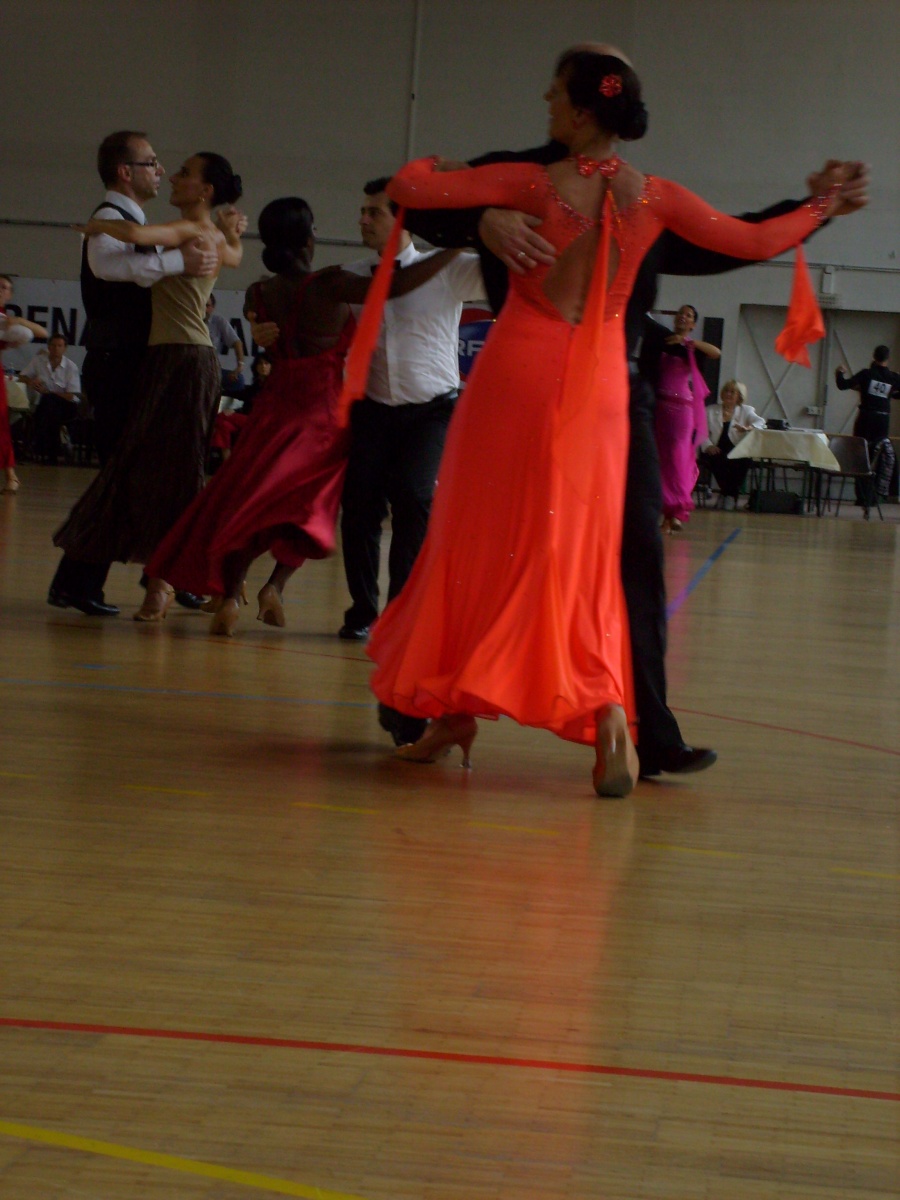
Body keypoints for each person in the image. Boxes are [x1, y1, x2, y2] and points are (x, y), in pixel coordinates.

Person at [356, 48, 850, 798]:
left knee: (479, 538)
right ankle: (610, 712)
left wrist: (453, 179)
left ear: (583, 111)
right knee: (586, 556)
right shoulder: (655, 195)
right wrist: (820, 208)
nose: (546, 100)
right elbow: (752, 240)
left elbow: (408, 186)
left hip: (520, 373)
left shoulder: (528, 181)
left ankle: (456, 708)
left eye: (556, 91)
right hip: (603, 389)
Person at [146, 197, 465, 637]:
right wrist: (454, 246)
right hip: (322, 413)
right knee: (310, 507)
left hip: (274, 407)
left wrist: (257, 326)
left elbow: (257, 318)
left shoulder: (259, 292)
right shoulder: (330, 283)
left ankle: (232, 595)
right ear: (308, 239)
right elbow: (396, 285)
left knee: (251, 500)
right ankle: (275, 586)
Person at [51, 152, 245, 622]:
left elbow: (137, 236)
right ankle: (168, 581)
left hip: (183, 359)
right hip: (175, 359)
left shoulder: (189, 229)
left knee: (178, 471)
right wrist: (233, 233)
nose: (173, 176)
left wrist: (96, 227)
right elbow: (236, 257)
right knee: (165, 469)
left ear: (206, 191)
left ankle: (166, 585)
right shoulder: (213, 234)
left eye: (185, 173)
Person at [337, 178, 488, 657]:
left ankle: (402, 613)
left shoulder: (450, 268)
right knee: (359, 508)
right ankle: (363, 610)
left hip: (432, 411)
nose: (362, 220)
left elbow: (507, 273)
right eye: (362, 211)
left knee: (414, 496)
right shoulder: (352, 276)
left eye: (374, 212)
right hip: (373, 408)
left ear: (403, 219)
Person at [643, 303, 721, 532]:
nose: (683, 317)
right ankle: (667, 510)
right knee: (661, 459)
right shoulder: (662, 341)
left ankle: (675, 510)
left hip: (681, 409)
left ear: (693, 324)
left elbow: (716, 353)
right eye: (680, 314)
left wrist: (688, 343)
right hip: (660, 406)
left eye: (688, 316)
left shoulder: (691, 347)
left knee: (678, 458)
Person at [0, 274, 48, 494]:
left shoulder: (8, 321)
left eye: (4, 287)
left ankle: (11, 476)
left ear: (10, 294)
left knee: (1, 423)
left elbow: (42, 332)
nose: (0, 290)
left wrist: (18, 320)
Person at [835, 345, 899, 504]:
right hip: (882, 421)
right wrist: (890, 394)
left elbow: (843, 385)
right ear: (888, 358)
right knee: (879, 456)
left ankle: (862, 496)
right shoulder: (893, 377)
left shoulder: (866, 374)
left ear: (873, 356)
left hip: (866, 419)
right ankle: (876, 495)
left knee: (861, 456)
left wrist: (839, 373)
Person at [699, 380, 766, 509]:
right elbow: (701, 431)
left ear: (739, 396)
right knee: (717, 459)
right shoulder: (710, 410)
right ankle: (729, 495)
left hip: (736, 449)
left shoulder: (746, 410)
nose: (728, 394)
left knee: (743, 461)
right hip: (716, 447)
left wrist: (748, 427)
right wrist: (708, 446)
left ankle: (727, 495)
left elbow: (761, 422)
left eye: (732, 392)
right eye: (726, 391)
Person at [19, 334, 81, 464]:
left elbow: (71, 395)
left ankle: (42, 449)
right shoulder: (39, 361)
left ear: (65, 348)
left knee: (48, 403)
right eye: (53, 345)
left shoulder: (71, 367)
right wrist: (31, 382)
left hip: (67, 405)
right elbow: (22, 376)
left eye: (59, 346)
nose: (56, 349)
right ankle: (52, 451)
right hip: (47, 406)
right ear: (48, 347)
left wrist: (49, 393)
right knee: (48, 407)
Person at [208, 351, 272, 468]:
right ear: (256, 367)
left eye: (266, 363)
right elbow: (239, 395)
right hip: (247, 419)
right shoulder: (255, 386)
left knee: (221, 417)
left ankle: (228, 466)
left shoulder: (274, 387)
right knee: (223, 425)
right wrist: (218, 392)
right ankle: (227, 465)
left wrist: (235, 412)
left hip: (261, 421)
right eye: (260, 363)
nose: (263, 366)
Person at [205, 293, 246, 395]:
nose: (203, 309)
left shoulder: (218, 321)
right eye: (201, 305)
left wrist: (240, 366)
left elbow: (237, 342)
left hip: (211, 369)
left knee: (239, 381)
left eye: (207, 305)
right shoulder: (189, 321)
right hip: (191, 369)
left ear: (212, 308)